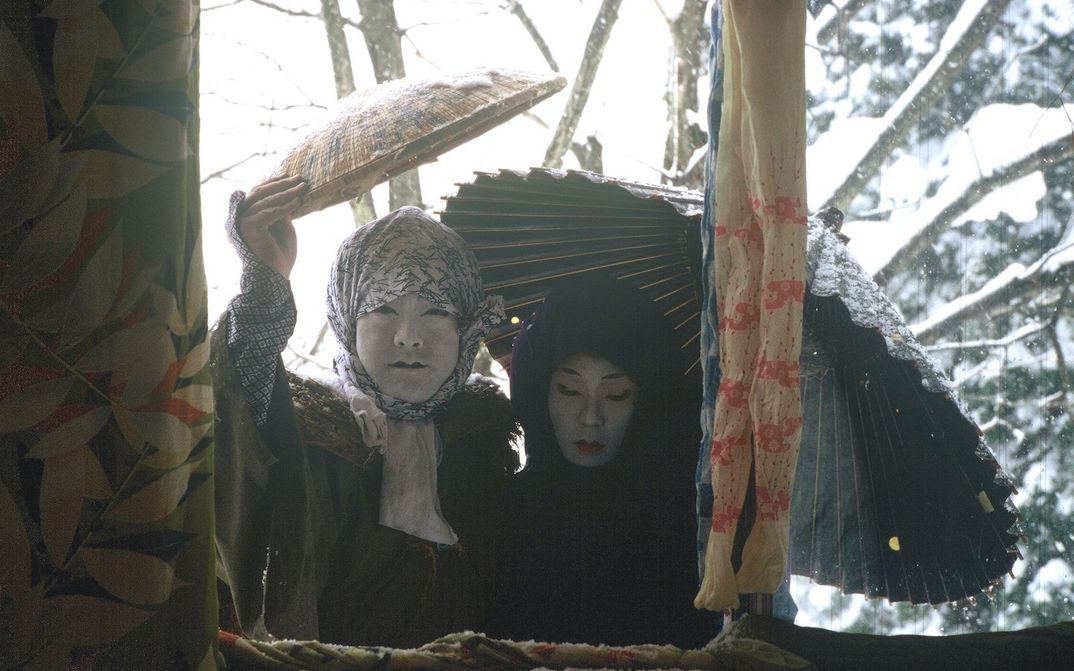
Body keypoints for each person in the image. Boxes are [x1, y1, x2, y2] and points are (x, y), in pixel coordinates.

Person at [210, 176, 518, 647]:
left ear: (466, 325)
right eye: (383, 309)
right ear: (347, 317)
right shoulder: (315, 425)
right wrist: (264, 286)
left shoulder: (485, 437)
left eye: (436, 310)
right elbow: (241, 417)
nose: (408, 337)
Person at [491, 274, 717, 647]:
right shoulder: (500, 513)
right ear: (539, 392)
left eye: (616, 394)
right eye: (568, 390)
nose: (590, 417)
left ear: (645, 400)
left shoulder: (687, 523)